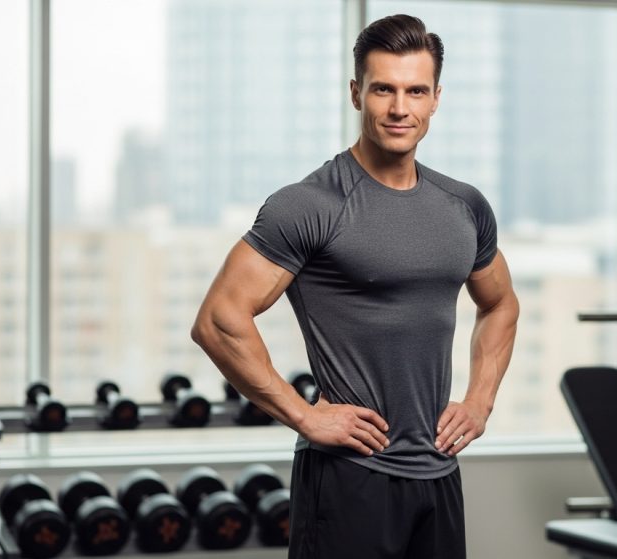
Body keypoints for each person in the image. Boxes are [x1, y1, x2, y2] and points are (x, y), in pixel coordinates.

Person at [191, 13, 519, 559]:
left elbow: (501, 303)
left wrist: (480, 402)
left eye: (415, 91)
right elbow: (218, 320)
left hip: (438, 473)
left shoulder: (463, 206)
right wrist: (303, 414)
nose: (399, 108)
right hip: (350, 476)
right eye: (383, 89)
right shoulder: (311, 205)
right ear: (355, 93)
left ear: (436, 98)